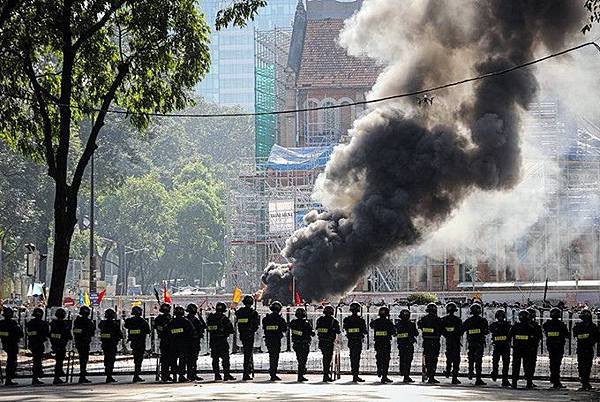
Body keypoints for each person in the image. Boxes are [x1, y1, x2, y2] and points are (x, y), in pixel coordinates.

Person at [206, 302, 235, 381]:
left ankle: (217, 375)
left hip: (213, 341)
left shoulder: (211, 318)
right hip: (222, 341)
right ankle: (226, 374)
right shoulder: (224, 318)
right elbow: (231, 330)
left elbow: (208, 328)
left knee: (215, 359)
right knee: (225, 359)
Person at [572, 308, 599, 391]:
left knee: (584, 366)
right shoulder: (590, 326)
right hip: (585, 348)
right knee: (584, 366)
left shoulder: (580, 326)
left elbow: (597, 337)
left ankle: (585, 382)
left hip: (584, 348)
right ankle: (584, 382)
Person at [509, 309, 537, 389]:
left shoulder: (515, 326)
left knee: (516, 366)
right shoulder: (531, 327)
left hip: (517, 349)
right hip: (527, 350)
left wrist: (511, 345)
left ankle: (514, 383)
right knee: (527, 366)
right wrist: (532, 347)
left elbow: (509, 336)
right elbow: (534, 339)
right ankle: (528, 383)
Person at [462, 303, 488, 386]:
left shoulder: (468, 321)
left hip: (471, 342)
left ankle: (470, 372)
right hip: (479, 343)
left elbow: (462, 329)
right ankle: (478, 378)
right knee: (478, 361)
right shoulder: (483, 320)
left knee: (471, 358)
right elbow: (486, 331)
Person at [542, 307, 569, 389]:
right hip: (559, 346)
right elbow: (567, 335)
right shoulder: (561, 325)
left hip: (551, 346)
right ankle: (556, 381)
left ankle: (554, 379)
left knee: (552, 363)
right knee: (557, 364)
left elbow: (545, 331)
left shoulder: (547, 324)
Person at [235, 295, 260, 381]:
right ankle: (246, 373)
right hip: (250, 335)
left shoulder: (240, 312)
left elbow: (237, 315)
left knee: (247, 354)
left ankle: (247, 370)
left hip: (242, 335)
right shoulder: (253, 313)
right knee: (248, 355)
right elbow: (256, 326)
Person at [167, 305, 194, 382]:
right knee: (182, 360)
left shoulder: (171, 322)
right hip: (183, 345)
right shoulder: (186, 322)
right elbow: (192, 332)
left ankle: (174, 376)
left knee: (173, 361)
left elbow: (167, 333)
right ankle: (181, 376)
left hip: (173, 345)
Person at [124, 305, 151, 383]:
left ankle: (136, 375)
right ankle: (136, 375)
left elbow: (126, 326)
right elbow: (148, 331)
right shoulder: (143, 322)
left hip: (133, 342)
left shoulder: (130, 321)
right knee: (139, 360)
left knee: (137, 359)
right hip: (140, 343)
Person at [262, 301, 287, 381]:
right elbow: (284, 329)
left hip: (269, 340)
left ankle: (272, 373)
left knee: (271, 356)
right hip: (276, 340)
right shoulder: (280, 319)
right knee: (275, 357)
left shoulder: (266, 318)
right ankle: (273, 374)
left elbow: (264, 327)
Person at [417, 303, 443, 384]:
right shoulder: (438, 319)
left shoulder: (423, 319)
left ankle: (427, 374)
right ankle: (431, 376)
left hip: (426, 342)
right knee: (434, 359)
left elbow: (420, 326)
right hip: (435, 342)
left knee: (427, 359)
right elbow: (441, 330)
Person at [370, 305, 396, 384]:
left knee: (379, 357)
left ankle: (379, 369)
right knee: (386, 359)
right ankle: (384, 376)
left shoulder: (376, 322)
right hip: (386, 343)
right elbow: (394, 332)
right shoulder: (389, 322)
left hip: (378, 343)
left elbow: (371, 326)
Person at [343, 302, 367, 383]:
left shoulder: (347, 319)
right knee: (356, 358)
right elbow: (365, 331)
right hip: (357, 341)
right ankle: (355, 375)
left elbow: (345, 328)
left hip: (351, 341)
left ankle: (354, 374)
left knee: (352, 357)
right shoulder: (361, 320)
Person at [315, 305, 340, 382]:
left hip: (322, 342)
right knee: (327, 359)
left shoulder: (319, 320)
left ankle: (326, 374)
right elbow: (338, 331)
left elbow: (317, 328)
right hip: (329, 342)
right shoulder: (334, 321)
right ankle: (326, 375)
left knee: (325, 358)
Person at [289, 307, 314, 382]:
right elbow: (312, 333)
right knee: (303, 360)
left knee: (300, 359)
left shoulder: (293, 322)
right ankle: (301, 375)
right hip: (304, 344)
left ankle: (301, 374)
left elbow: (290, 327)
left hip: (296, 344)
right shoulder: (306, 323)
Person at [98, 308, 123, 383]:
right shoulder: (114, 324)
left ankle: (108, 375)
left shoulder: (102, 324)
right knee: (111, 360)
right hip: (112, 344)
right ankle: (109, 376)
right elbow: (120, 334)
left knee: (107, 359)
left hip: (105, 344)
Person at [26, 307, 49, 385]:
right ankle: (36, 376)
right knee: (37, 361)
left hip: (32, 344)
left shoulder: (30, 323)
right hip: (38, 344)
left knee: (36, 360)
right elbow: (46, 334)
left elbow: (29, 334)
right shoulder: (43, 324)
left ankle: (36, 376)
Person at [0, 307, 23, 386]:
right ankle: (9, 378)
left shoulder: (1, 324)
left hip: (5, 344)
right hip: (12, 344)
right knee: (12, 361)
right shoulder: (13, 323)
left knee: (11, 361)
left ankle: (9, 377)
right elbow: (20, 334)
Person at [441, 302, 462, 384]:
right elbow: (460, 331)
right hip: (456, 342)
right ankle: (454, 377)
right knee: (456, 360)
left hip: (448, 341)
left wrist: (447, 335)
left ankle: (448, 371)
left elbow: (442, 330)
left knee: (449, 358)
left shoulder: (444, 319)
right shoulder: (458, 320)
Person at [49, 308, 72, 384]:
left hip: (55, 344)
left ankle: (58, 374)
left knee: (58, 361)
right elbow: (69, 336)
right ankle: (57, 377)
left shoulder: (53, 323)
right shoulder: (63, 325)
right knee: (59, 361)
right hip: (61, 345)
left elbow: (50, 335)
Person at [394, 308, 418, 383]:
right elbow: (416, 333)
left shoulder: (398, 324)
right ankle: (406, 376)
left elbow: (394, 333)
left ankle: (402, 372)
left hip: (401, 345)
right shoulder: (411, 324)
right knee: (408, 360)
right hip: (409, 344)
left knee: (402, 358)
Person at [73, 305, 95, 383]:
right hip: (84, 343)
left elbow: (75, 331)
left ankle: (82, 375)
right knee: (84, 360)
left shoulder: (77, 321)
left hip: (79, 342)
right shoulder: (88, 322)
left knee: (82, 359)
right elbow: (92, 332)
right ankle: (82, 376)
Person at [489, 309, 511, 387]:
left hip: (497, 346)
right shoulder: (508, 325)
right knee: (505, 363)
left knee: (495, 362)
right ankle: (504, 379)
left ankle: (495, 373)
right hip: (505, 346)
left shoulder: (493, 325)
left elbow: (490, 331)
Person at [185, 303, 206, 381]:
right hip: (194, 342)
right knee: (193, 359)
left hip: (187, 342)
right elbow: (204, 325)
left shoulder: (185, 319)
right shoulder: (195, 319)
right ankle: (192, 375)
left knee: (188, 360)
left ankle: (190, 374)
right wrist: (199, 315)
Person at [153, 303, 173, 382]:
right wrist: (165, 328)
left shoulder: (170, 318)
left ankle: (167, 375)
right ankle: (165, 375)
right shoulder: (159, 319)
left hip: (168, 340)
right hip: (165, 339)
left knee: (168, 359)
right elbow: (158, 328)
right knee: (165, 359)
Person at [525, 307, 542, 388]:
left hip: (523, 347)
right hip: (532, 347)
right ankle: (529, 380)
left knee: (526, 364)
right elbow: (539, 336)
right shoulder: (535, 326)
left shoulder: (522, 325)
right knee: (531, 364)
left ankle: (528, 380)